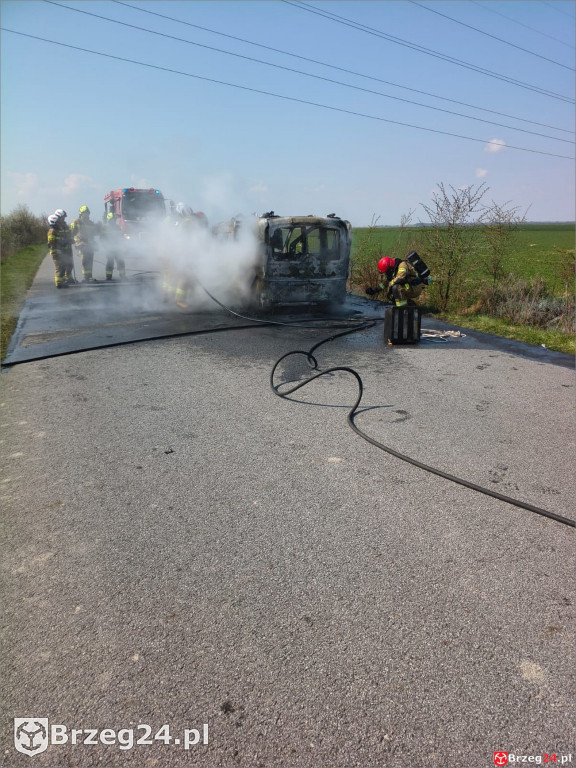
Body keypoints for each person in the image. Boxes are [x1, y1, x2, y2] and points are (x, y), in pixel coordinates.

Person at [70, 205, 99, 282]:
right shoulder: (76, 221)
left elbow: (93, 234)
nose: (86, 214)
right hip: (81, 244)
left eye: (87, 213)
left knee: (90, 261)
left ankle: (89, 276)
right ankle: (85, 278)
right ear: (81, 213)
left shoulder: (91, 223)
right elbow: (72, 233)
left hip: (90, 245)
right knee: (84, 261)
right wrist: (76, 242)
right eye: (84, 213)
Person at [47, 209, 76, 288]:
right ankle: (59, 283)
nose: (63, 219)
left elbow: (65, 236)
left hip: (63, 250)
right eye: (62, 217)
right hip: (58, 252)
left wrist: (70, 240)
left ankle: (63, 281)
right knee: (60, 267)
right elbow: (52, 243)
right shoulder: (53, 231)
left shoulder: (63, 226)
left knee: (64, 266)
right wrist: (58, 250)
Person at [102, 212, 126, 281]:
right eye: (112, 219)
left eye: (114, 219)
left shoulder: (117, 227)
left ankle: (122, 276)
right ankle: (108, 276)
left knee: (120, 261)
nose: (114, 221)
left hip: (117, 247)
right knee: (110, 262)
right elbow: (102, 238)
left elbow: (120, 236)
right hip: (109, 248)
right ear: (109, 220)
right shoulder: (105, 227)